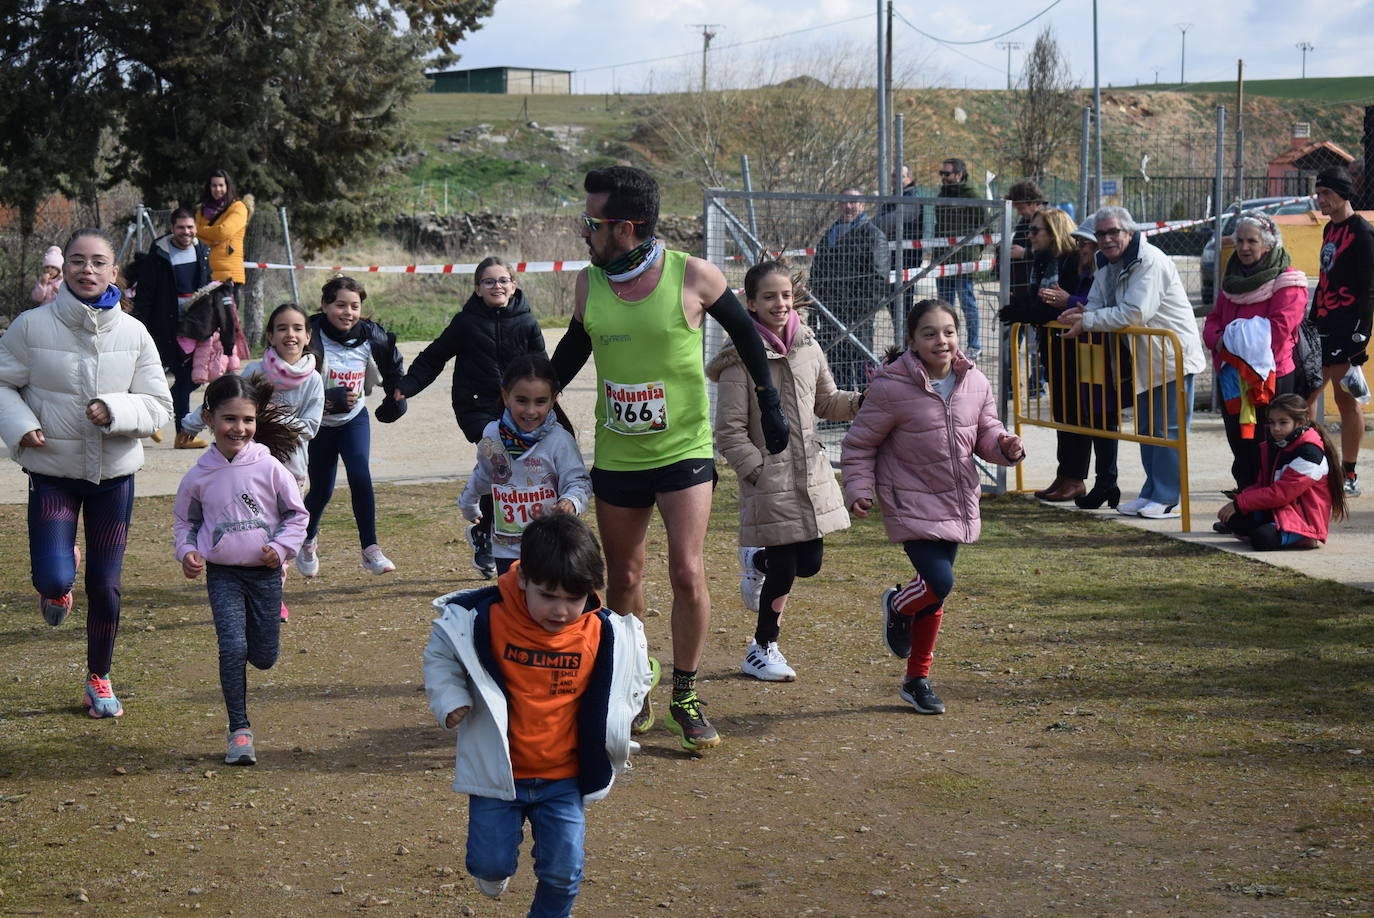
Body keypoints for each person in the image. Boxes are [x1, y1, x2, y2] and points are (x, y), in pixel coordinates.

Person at [550, 165, 790, 751]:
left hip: (683, 450)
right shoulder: (588, 285)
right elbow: (572, 352)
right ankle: (636, 683)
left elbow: (748, 336)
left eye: (591, 222)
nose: (583, 231)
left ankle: (685, 692)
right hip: (618, 456)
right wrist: (524, 404)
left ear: (625, 227)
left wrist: (769, 404)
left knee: (686, 570)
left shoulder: (694, 275)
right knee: (625, 577)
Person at [423, 513, 655, 918]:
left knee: (564, 873)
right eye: (548, 596)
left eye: (574, 598)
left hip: (565, 778)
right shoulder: (481, 617)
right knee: (488, 863)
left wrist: (623, 713)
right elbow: (441, 653)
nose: (561, 610)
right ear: (523, 579)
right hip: (499, 775)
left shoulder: (606, 632)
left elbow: (634, 672)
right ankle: (495, 868)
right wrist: (450, 697)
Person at [0, 228, 173, 718]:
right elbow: (2, 384)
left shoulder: (134, 333)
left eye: (98, 262)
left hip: (114, 477)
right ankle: (59, 582)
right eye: (77, 260)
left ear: (113, 272)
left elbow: (159, 405)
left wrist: (115, 410)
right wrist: (21, 425)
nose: (87, 270)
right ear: (64, 269)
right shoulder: (31, 327)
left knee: (106, 584)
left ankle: (99, 678)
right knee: (52, 577)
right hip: (52, 472)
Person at [841, 299, 1024, 714]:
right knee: (938, 583)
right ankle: (897, 604)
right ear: (912, 341)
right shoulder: (891, 388)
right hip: (908, 500)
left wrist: (1005, 446)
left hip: (955, 501)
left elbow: (986, 431)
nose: (941, 340)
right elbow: (859, 444)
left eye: (948, 332)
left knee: (934, 596)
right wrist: (858, 489)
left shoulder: (975, 382)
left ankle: (916, 680)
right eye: (929, 333)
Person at [706, 261, 863, 682]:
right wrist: (757, 471)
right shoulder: (739, 360)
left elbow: (826, 402)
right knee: (785, 567)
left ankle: (754, 560)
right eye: (769, 297)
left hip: (811, 475)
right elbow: (729, 431)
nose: (780, 303)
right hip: (770, 482)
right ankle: (762, 648)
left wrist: (860, 401)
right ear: (751, 303)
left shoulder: (808, 345)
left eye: (786, 295)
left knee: (809, 563)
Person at [173, 374, 308, 765]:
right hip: (223, 575)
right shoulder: (198, 476)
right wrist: (187, 551)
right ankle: (239, 731)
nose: (239, 428)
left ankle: (255, 636)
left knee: (263, 657)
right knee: (232, 647)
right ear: (209, 419)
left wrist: (280, 549)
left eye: (247, 419)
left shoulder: (271, 468)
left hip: (265, 574)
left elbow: (296, 515)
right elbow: (185, 522)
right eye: (229, 419)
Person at [395, 257, 547, 578]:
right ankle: (486, 528)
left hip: (516, 410)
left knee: (513, 471)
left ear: (514, 285)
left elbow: (542, 368)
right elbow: (433, 357)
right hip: (476, 407)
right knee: (501, 459)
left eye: (503, 280)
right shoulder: (465, 323)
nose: (496, 286)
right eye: (489, 281)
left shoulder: (527, 322)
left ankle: (485, 531)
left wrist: (549, 401)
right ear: (478, 289)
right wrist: (406, 387)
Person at [1060, 205, 1206, 520]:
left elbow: (1134, 313)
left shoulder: (1150, 260)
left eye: (1113, 232)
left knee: (1167, 431)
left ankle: (1168, 498)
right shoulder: (1105, 263)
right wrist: (1082, 314)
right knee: (1148, 431)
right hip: (1144, 359)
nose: (1107, 239)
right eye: (1101, 234)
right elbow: (1096, 302)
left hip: (1171, 358)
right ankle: (1151, 492)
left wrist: (1088, 321)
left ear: (1129, 232)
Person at [179, 302, 323, 621]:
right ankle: (242, 588)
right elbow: (223, 399)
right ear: (270, 336)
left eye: (297, 328)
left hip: (291, 470)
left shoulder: (313, 380)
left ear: (308, 336)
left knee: (281, 534)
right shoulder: (255, 371)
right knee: (254, 529)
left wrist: (271, 418)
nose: (290, 334)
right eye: (282, 328)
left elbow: (310, 427)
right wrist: (191, 423)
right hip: (249, 469)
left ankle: (273, 595)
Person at [298, 276, 407, 578]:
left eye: (354, 306)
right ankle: (307, 538)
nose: (348, 312)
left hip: (353, 419)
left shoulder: (372, 336)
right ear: (324, 305)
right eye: (340, 305)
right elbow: (290, 382)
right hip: (318, 424)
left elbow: (394, 367)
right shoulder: (308, 335)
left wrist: (396, 398)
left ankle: (370, 549)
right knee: (321, 491)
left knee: (361, 476)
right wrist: (326, 399)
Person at [1202, 211, 1308, 492]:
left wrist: (1228, 339)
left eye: (1252, 241)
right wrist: (1219, 338)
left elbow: (1278, 331)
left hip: (1270, 377)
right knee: (1239, 439)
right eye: (1240, 241)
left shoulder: (1288, 283)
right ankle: (1245, 496)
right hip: (1231, 376)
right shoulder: (1232, 281)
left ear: (1269, 245)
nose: (1244, 247)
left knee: (1268, 440)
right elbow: (1213, 320)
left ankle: (1266, 500)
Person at [458, 354, 591, 577]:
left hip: (551, 544)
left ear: (553, 400)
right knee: (513, 599)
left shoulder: (560, 440)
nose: (530, 411)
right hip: (506, 548)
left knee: (544, 598)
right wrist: (468, 503)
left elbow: (579, 482)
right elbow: (484, 473)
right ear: (505, 396)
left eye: (540, 401)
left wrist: (571, 501)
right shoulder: (492, 435)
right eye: (521, 400)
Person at [1000, 207, 1098, 502]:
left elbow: (1059, 307)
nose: (1029, 236)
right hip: (1053, 346)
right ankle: (1064, 474)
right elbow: (1042, 302)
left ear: (1053, 232)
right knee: (1062, 413)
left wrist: (1026, 312)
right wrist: (1027, 308)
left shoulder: (1070, 261)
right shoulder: (1043, 261)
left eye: (1035, 231)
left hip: (1075, 347)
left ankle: (1075, 477)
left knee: (1076, 414)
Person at [1307, 165, 1374, 497]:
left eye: (1326, 193)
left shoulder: (1362, 231)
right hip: (1323, 323)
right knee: (1307, 395)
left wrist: (1361, 334)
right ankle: (1309, 463)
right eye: (1318, 193)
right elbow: (1325, 279)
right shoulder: (1329, 229)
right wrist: (1310, 320)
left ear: (1343, 194)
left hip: (1348, 326)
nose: (1320, 199)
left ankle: (1349, 474)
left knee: (1345, 398)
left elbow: (1369, 287)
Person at [1217, 394, 1346, 549]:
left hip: (1302, 518)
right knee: (1232, 520)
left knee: (1262, 539)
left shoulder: (1310, 453)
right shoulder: (1276, 445)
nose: (1276, 428)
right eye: (1272, 422)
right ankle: (1275, 530)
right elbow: (1263, 485)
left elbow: (1281, 494)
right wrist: (1240, 498)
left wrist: (1240, 503)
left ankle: (1306, 536)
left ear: (1300, 422)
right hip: (1279, 509)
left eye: (1283, 422)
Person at [134, 208, 215, 448]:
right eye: (181, 227)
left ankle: (158, 420)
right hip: (163, 326)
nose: (186, 232)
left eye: (190, 227)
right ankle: (180, 433)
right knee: (163, 376)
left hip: (193, 328)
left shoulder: (202, 251)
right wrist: (140, 324)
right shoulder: (159, 255)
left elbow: (205, 284)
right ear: (172, 229)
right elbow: (145, 293)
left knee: (191, 378)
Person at [809, 189, 890, 390]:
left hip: (858, 316)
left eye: (853, 201)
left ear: (862, 205)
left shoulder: (873, 235)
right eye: (844, 201)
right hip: (830, 313)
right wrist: (816, 307)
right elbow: (816, 273)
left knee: (863, 366)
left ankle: (867, 405)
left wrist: (862, 311)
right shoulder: (829, 235)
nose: (848, 206)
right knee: (838, 368)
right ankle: (845, 405)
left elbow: (879, 277)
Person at [933, 158, 988, 359]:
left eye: (947, 174)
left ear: (959, 174)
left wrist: (976, 249)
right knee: (944, 306)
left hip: (964, 259)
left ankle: (974, 345)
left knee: (967, 302)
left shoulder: (972, 195)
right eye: (942, 173)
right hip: (943, 258)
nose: (944, 177)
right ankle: (947, 344)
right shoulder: (942, 194)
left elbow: (986, 225)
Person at [876, 166, 923, 345]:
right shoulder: (892, 198)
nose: (896, 179)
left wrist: (867, 228)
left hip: (905, 262)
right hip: (890, 261)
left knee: (903, 308)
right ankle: (903, 346)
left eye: (900, 176)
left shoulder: (911, 199)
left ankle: (908, 347)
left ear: (909, 178)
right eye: (894, 175)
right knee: (895, 307)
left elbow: (886, 222)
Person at [195, 169, 249, 294]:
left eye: (221, 185)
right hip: (205, 274)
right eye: (214, 185)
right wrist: (213, 238)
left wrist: (199, 231)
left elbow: (222, 232)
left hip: (229, 276)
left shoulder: (238, 208)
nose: (217, 189)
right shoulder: (201, 210)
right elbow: (195, 237)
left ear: (228, 186)